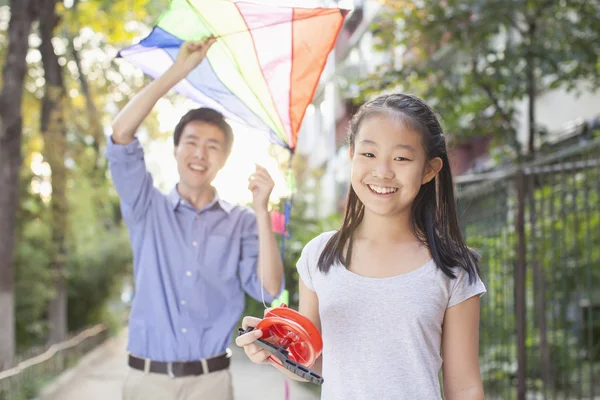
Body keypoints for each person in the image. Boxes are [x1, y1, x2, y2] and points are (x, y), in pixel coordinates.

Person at [236, 93, 487, 399]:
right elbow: (315, 363)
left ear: (429, 170)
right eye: (369, 155)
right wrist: (275, 349)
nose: (382, 171)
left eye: (401, 158)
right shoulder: (318, 257)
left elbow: (465, 386)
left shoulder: (452, 266)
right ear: (352, 154)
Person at [106, 36, 284, 400]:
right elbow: (121, 134)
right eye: (191, 141)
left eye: (213, 146)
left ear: (223, 159)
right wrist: (178, 71)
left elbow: (269, 290)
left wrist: (262, 211)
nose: (200, 153)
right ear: (175, 149)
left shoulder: (241, 222)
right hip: (146, 383)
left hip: (211, 383)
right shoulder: (146, 207)